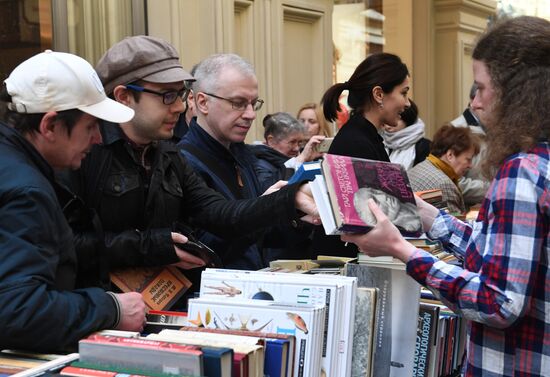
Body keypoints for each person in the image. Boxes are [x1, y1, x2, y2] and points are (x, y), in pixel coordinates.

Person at [342, 16, 550, 377]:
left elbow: (497, 302)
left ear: (517, 94)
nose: (476, 103)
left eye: (482, 88)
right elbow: (500, 254)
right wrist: (425, 215)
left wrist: (402, 250)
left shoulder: (523, 170)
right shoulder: (541, 162)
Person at [65, 38, 317, 299]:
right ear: (124, 96)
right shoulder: (86, 152)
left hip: (155, 309)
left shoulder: (167, 153)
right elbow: (66, 245)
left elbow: (219, 214)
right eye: (167, 96)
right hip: (103, 312)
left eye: (180, 94)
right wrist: (153, 246)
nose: (180, 106)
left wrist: (288, 199)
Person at [0, 50, 147, 352]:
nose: (97, 139)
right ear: (50, 126)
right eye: (90, 126)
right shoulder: (26, 192)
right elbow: (18, 311)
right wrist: (111, 309)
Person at [180, 54, 313, 267]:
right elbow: (203, 252)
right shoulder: (184, 161)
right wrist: (266, 209)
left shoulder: (241, 153)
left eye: (253, 103)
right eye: (238, 103)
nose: (251, 114)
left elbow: (264, 239)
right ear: (202, 102)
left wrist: (299, 217)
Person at [311, 52, 411, 258]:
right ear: (379, 94)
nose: (407, 103)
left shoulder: (363, 136)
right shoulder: (357, 142)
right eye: (404, 93)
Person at [408, 124, 480, 215]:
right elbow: (453, 227)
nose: (470, 165)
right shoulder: (444, 185)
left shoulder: (417, 168)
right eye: (468, 159)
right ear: (450, 155)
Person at [249, 112, 324, 183]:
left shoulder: (288, 159)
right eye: (292, 142)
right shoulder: (260, 164)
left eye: (299, 142)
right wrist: (299, 160)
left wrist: (308, 161)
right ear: (271, 141)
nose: (297, 148)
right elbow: (271, 193)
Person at [450, 82, 490, 207]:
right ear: (474, 102)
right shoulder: (456, 130)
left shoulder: (494, 129)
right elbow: (452, 181)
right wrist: (493, 188)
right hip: (466, 212)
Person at [381, 99, 431, 170]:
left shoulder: (424, 147)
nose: (388, 124)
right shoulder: (380, 142)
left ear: (408, 119)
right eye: (386, 118)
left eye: (397, 118)